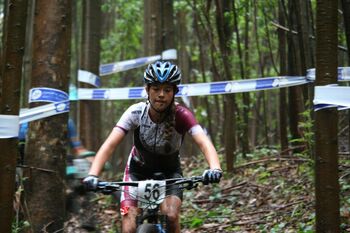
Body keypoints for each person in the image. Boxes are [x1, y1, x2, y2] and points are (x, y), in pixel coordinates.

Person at [83, 61, 223, 233]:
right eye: (156, 89)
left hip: (170, 172)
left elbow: (204, 142)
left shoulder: (182, 115)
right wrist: (93, 175)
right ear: (147, 90)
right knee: (129, 228)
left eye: (167, 90)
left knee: (171, 216)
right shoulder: (135, 112)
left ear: (174, 92)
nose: (161, 95)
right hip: (137, 171)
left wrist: (214, 168)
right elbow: (110, 144)